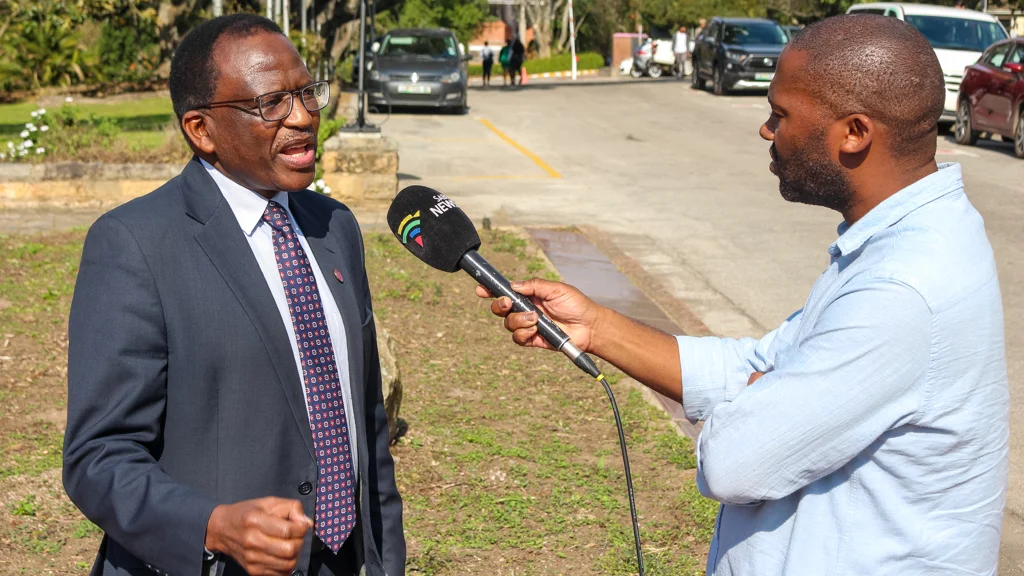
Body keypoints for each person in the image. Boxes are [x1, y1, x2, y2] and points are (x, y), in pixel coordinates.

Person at [478, 14, 1007, 576]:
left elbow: (736, 463)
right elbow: (761, 366)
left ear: (854, 132)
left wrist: (766, 396)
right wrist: (597, 327)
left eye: (781, 115)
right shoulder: (905, 239)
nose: (765, 129)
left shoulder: (904, 287)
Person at [63, 14, 405, 576]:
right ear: (201, 129)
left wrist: (385, 561)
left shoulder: (334, 226)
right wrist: (211, 526)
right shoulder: (134, 244)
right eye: (271, 103)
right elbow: (97, 457)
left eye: (306, 92)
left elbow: (365, 421)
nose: (303, 117)